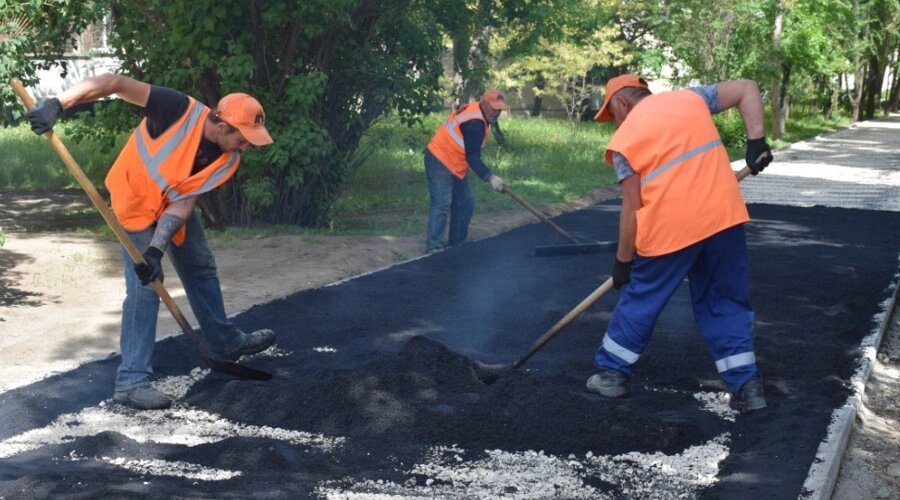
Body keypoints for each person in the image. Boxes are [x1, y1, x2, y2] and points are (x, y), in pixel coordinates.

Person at [25, 74, 277, 410]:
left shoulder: (228, 159)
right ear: (221, 125)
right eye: (243, 139)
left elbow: (185, 202)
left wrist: (156, 249)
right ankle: (130, 381)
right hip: (134, 203)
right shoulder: (176, 108)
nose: (246, 147)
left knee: (200, 265)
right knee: (145, 287)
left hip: (171, 207)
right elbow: (114, 83)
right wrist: (59, 103)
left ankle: (224, 343)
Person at [586, 74, 773, 413]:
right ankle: (748, 387)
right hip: (723, 219)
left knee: (643, 298)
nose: (613, 122)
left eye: (611, 113)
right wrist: (756, 142)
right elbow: (747, 87)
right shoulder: (690, 99)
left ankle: (612, 374)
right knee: (725, 302)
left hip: (669, 231)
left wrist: (623, 260)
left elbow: (632, 208)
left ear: (622, 102)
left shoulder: (624, 140)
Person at [423, 89, 509, 253]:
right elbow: (472, 157)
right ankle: (433, 248)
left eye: (499, 109)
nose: (496, 112)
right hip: (439, 158)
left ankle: (456, 246)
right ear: (483, 104)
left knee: (465, 202)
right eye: (493, 108)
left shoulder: (479, 113)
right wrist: (490, 178)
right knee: (442, 203)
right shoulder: (474, 123)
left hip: (455, 163)